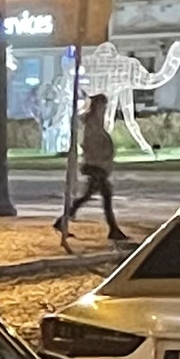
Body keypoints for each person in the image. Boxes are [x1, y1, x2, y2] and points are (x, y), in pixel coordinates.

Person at [55, 94, 129, 247]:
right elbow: (90, 145)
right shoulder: (92, 124)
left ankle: (62, 220)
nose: (105, 108)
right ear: (97, 106)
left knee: (88, 196)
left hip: (99, 165)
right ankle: (113, 229)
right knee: (105, 196)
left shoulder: (96, 122)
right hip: (95, 166)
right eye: (103, 105)